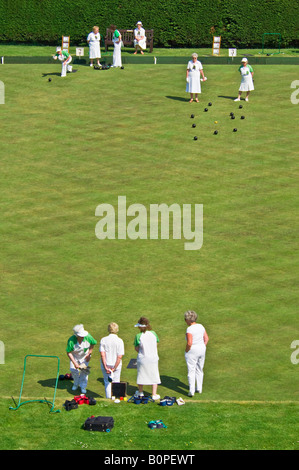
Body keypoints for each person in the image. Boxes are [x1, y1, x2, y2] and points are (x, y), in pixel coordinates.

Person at [134, 317, 161, 400]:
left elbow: (136, 348)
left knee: (141, 374)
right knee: (154, 374)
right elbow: (156, 343)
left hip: (142, 359)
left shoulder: (138, 336)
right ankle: (154, 394)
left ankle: (140, 392)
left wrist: (143, 351)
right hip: (153, 358)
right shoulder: (154, 333)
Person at [66, 324, 97, 394]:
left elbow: (93, 344)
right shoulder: (71, 340)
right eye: (81, 336)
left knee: (84, 372)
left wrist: (89, 353)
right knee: (73, 370)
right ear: (77, 335)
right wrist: (75, 363)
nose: (83, 337)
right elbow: (69, 352)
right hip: (74, 356)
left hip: (85, 357)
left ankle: (83, 386)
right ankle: (75, 384)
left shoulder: (88, 337)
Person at [184, 310, 209, 397]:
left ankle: (191, 391)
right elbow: (206, 339)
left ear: (188, 320)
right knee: (199, 368)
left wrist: (187, 350)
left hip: (192, 351)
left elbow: (189, 343)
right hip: (202, 349)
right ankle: (199, 388)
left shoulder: (189, 329)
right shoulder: (201, 326)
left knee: (191, 370)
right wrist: (202, 347)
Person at [99, 322, 125, 398]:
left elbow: (102, 354)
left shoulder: (103, 339)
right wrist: (114, 368)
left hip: (106, 364)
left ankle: (108, 398)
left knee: (107, 382)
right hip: (116, 364)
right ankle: (115, 398)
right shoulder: (120, 341)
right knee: (116, 382)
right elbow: (119, 356)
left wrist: (105, 366)